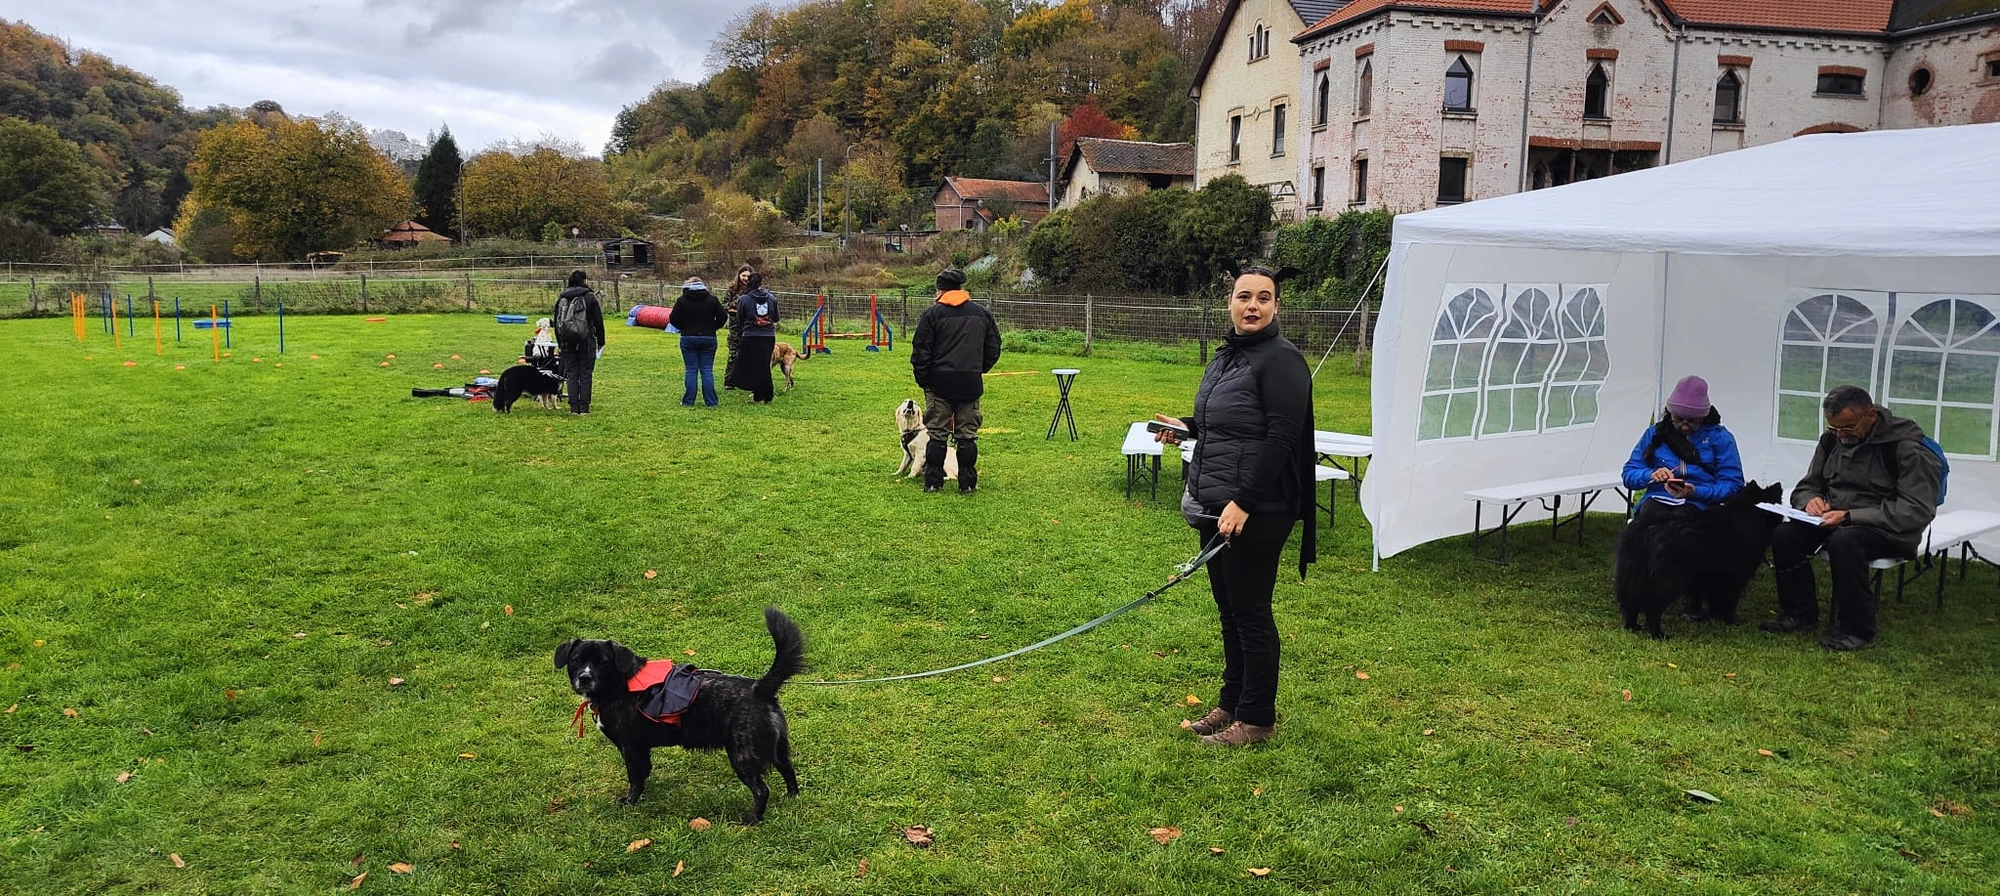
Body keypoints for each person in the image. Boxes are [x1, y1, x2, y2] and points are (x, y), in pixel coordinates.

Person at [1152, 266, 1315, 747]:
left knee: (1250, 611)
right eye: (1244, 296)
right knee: (1229, 609)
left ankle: (1258, 718)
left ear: (1276, 307)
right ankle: (1233, 702)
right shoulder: (1229, 357)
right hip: (1215, 501)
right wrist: (1186, 425)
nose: (1253, 306)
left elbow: (1282, 436)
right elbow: (1228, 423)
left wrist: (1244, 501)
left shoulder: (1282, 360)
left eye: (1264, 298)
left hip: (1259, 507)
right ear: (1230, 302)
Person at [1763, 385, 1942, 650]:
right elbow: (1806, 486)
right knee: (1785, 535)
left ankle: (1857, 630)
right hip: (1833, 519)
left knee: (1846, 542)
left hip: (1890, 530)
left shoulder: (1906, 448)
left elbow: (1917, 509)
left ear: (1870, 415)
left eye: (1847, 428)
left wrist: (1850, 516)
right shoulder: (1831, 440)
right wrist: (1809, 501)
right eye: (1835, 428)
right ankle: (1799, 613)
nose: (1841, 435)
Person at [909, 267, 1001, 493]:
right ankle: (968, 484)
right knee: (967, 435)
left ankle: (933, 483)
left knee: (937, 435)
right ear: (961, 288)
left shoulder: (932, 314)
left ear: (939, 290)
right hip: (970, 383)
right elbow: (993, 348)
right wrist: (977, 370)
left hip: (939, 384)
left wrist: (924, 380)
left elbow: (921, 351)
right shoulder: (981, 313)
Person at [1620, 375, 1745, 522]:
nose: (1684, 426)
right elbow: (1629, 473)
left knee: (1684, 521)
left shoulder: (1721, 438)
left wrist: (1696, 492)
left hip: (1700, 502)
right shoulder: (1655, 434)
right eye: (1678, 419)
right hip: (1658, 497)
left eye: (1692, 421)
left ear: (1704, 416)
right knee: (1650, 518)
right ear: (1669, 413)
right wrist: (1651, 475)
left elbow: (1733, 484)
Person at [668, 276, 729, 407]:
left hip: (688, 337)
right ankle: (711, 402)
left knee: (691, 370)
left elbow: (673, 318)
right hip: (708, 337)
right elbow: (723, 316)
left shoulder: (682, 301)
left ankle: (688, 401)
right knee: (707, 370)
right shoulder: (712, 300)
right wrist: (713, 327)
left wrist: (683, 327)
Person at [553, 270, 605, 415]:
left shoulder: (562, 298)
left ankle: (573, 407)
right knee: (586, 373)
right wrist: (601, 341)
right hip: (586, 341)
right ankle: (584, 407)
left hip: (567, 342)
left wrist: (560, 343)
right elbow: (598, 322)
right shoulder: (590, 297)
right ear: (584, 281)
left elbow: (557, 323)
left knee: (572, 373)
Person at [732, 272, 780, 404]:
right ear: (760, 283)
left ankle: (760, 396)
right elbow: (776, 318)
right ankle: (766, 395)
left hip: (751, 336)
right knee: (764, 365)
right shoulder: (771, 298)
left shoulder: (744, 299)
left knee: (753, 366)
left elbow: (739, 318)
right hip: (768, 336)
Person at [722, 264, 755, 390]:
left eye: (748, 276)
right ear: (739, 276)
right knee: (733, 354)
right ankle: (729, 381)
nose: (746, 278)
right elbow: (724, 305)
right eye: (743, 275)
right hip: (735, 327)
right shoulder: (732, 289)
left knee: (750, 354)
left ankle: (747, 380)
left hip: (750, 326)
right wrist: (735, 305)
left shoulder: (754, 290)